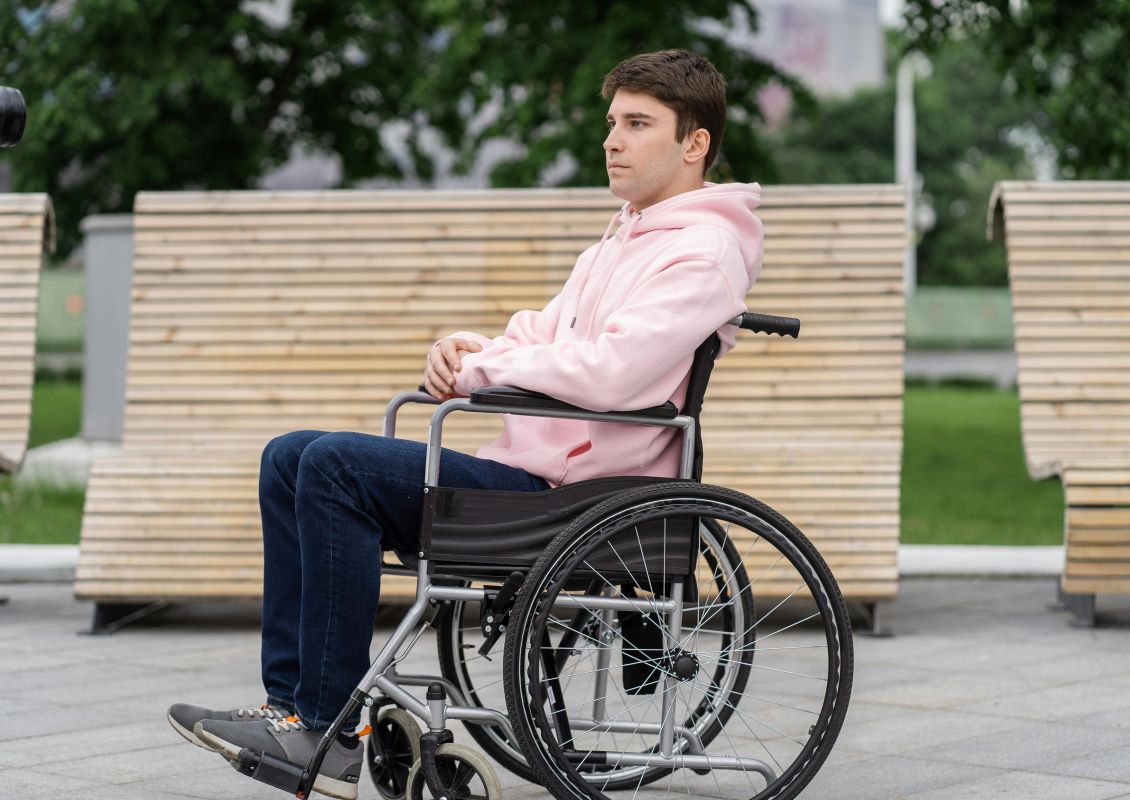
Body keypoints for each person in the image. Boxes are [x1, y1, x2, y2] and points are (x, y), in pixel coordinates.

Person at [166, 48, 764, 800]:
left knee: (332, 467)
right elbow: (542, 334)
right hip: (538, 478)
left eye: (637, 124)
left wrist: (485, 371)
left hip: (584, 498)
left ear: (695, 142)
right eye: (612, 122)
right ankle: (291, 710)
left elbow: (612, 372)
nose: (612, 140)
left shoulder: (702, 252)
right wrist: (467, 347)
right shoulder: (623, 239)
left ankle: (325, 725)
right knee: (289, 456)